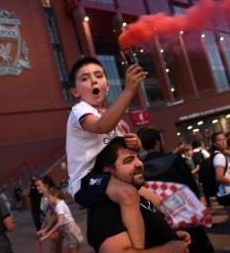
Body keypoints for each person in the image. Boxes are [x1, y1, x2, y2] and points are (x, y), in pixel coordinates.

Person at [66, 57, 147, 248]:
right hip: (85, 181)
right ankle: (139, 249)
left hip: (110, 178)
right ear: (75, 91)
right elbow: (102, 126)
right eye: (85, 78)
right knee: (128, 194)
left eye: (99, 75)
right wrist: (129, 90)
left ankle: (160, 229)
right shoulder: (79, 110)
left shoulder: (115, 119)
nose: (93, 81)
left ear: (107, 85)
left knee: (152, 201)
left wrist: (137, 145)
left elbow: (126, 150)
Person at [88, 137, 190, 252]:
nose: (139, 164)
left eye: (138, 157)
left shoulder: (138, 197)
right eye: (129, 160)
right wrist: (167, 249)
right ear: (108, 171)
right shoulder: (104, 209)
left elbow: (153, 217)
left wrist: (169, 235)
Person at [138, 127, 214, 253]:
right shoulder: (174, 159)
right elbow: (191, 185)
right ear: (158, 142)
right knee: (198, 245)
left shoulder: (141, 166)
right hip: (185, 213)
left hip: (162, 218)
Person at [38, 187, 84, 253]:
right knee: (72, 249)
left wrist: (47, 235)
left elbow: (60, 222)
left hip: (70, 231)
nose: (47, 200)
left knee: (72, 249)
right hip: (69, 230)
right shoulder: (59, 204)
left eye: (48, 198)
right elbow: (54, 219)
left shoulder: (59, 206)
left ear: (55, 195)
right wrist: (45, 230)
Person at [35, 175, 63, 253]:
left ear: (46, 185)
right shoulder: (43, 199)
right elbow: (45, 214)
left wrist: (46, 229)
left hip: (56, 228)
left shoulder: (51, 198)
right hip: (50, 227)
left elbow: (54, 216)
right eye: (36, 186)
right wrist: (42, 227)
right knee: (56, 250)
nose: (37, 188)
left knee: (55, 250)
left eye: (39, 185)